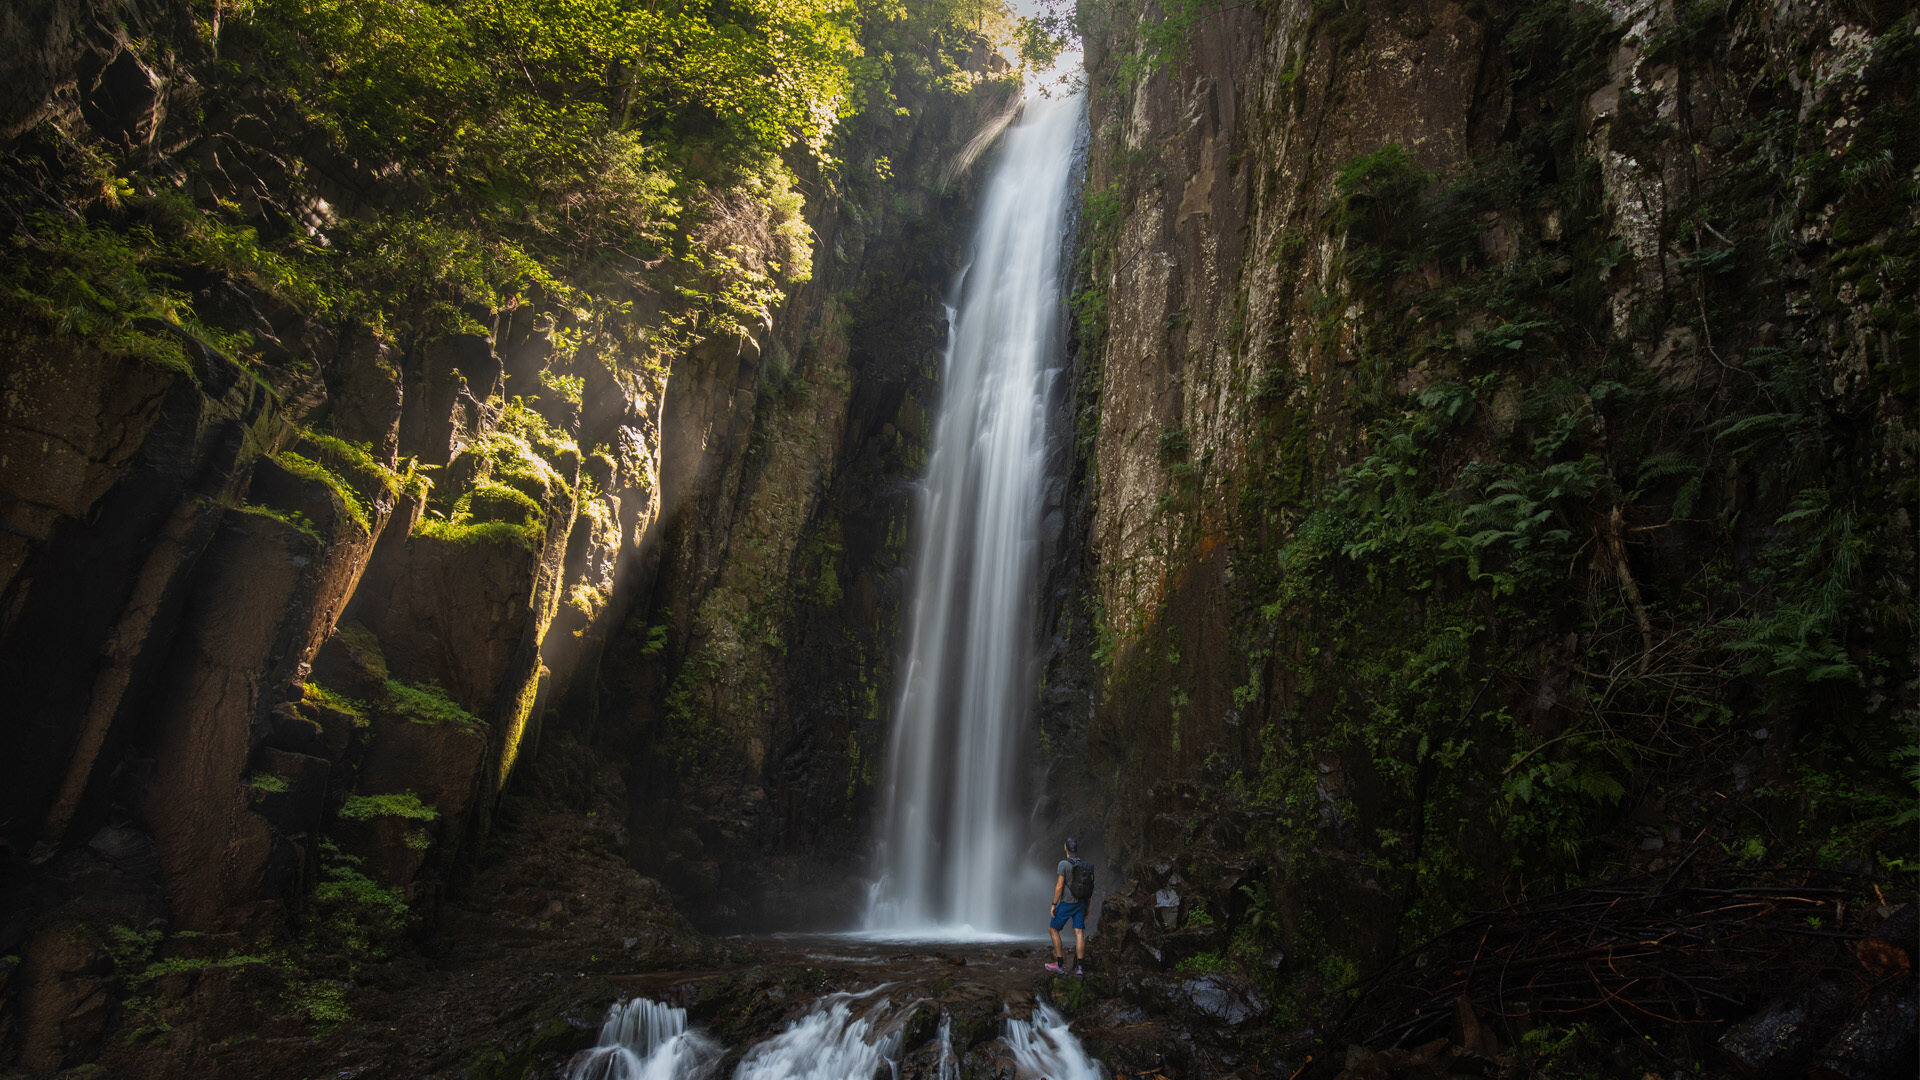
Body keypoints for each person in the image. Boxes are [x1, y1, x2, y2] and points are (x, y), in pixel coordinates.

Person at [1046, 837, 1092, 975]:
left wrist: (1054, 904)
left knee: (1053, 929)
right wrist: (1087, 907)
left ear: (1065, 848)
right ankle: (1080, 967)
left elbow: (1059, 886)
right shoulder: (1085, 865)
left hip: (1067, 903)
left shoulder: (1063, 864)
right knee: (1079, 933)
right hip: (1081, 903)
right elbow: (1090, 888)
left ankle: (1059, 964)